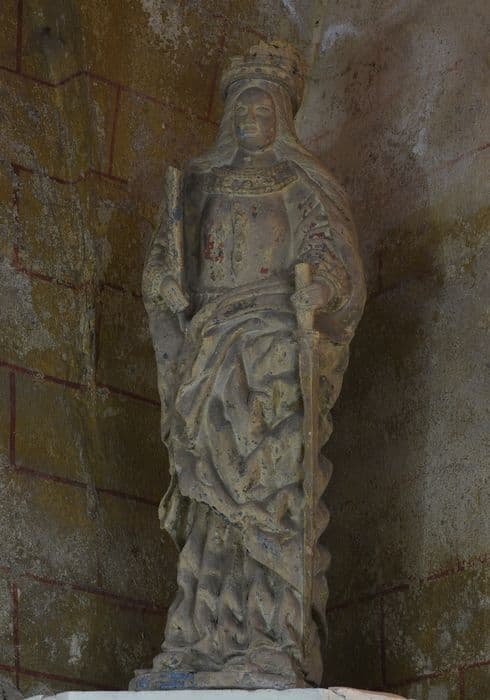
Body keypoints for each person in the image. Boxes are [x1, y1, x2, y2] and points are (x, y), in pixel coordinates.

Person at [135, 42, 366, 690]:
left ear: (282, 119)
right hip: (210, 350)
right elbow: (166, 268)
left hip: (273, 351)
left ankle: (272, 634)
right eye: (242, 108)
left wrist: (321, 290)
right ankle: (202, 635)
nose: (251, 119)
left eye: (263, 109)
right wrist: (165, 285)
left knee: (270, 489)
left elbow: (336, 262)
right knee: (209, 498)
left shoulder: (302, 185)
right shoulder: (200, 185)